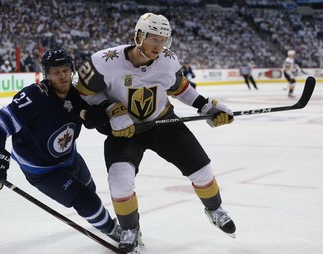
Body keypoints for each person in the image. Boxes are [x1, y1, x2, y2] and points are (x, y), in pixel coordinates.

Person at [76, 13, 236, 254]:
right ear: (138, 36)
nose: (159, 46)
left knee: (203, 171)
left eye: (164, 40)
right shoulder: (104, 61)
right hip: (126, 130)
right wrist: (110, 109)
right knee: (119, 183)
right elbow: (83, 91)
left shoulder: (168, 60)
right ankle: (130, 228)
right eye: (153, 39)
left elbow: (180, 88)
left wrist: (205, 106)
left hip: (163, 122)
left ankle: (214, 209)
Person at [0, 48, 121, 243]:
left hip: (70, 157)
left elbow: (92, 118)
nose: (62, 76)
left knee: (90, 190)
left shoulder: (79, 93)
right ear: (46, 75)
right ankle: (114, 231)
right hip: (42, 170)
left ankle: (97, 217)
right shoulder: (34, 97)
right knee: (85, 200)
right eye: (55, 72)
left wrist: (101, 121)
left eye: (65, 70)